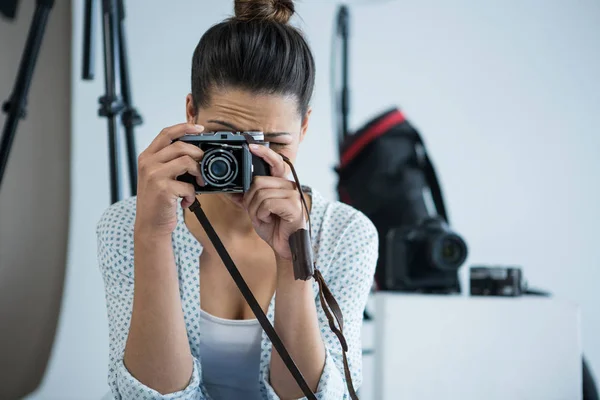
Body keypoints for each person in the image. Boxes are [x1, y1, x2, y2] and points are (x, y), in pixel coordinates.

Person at [96, 0, 378, 399]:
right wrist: (152, 237)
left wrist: (293, 258)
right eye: (225, 139)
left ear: (305, 127)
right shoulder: (127, 224)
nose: (244, 166)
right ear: (191, 112)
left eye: (273, 144)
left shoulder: (346, 235)